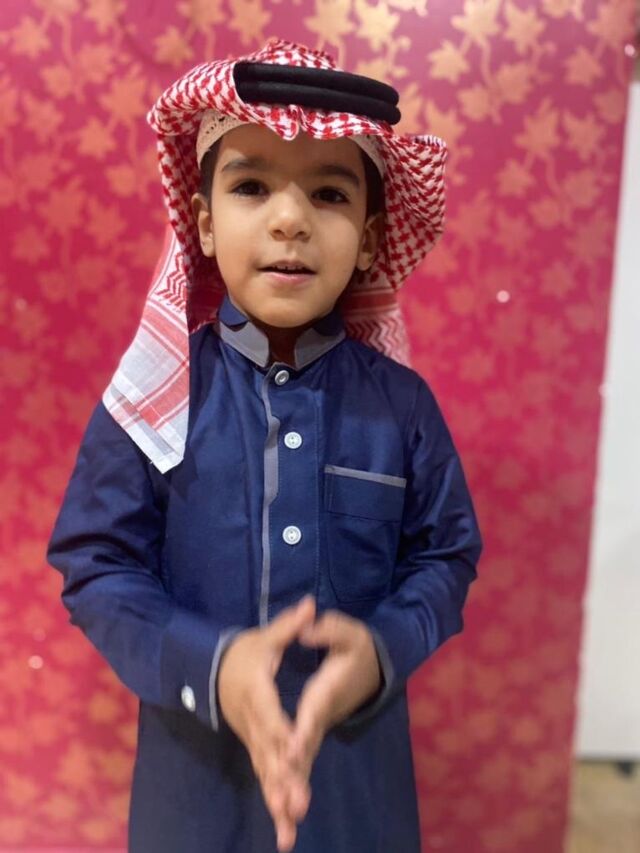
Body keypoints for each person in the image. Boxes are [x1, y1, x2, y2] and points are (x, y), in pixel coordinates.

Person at [47, 38, 483, 853]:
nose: (290, 219)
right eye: (251, 186)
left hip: (354, 791)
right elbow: (96, 565)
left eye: (329, 193)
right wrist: (210, 665)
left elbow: (446, 558)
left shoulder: (403, 409)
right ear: (204, 223)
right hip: (193, 793)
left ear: (369, 236)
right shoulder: (153, 400)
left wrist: (381, 651)